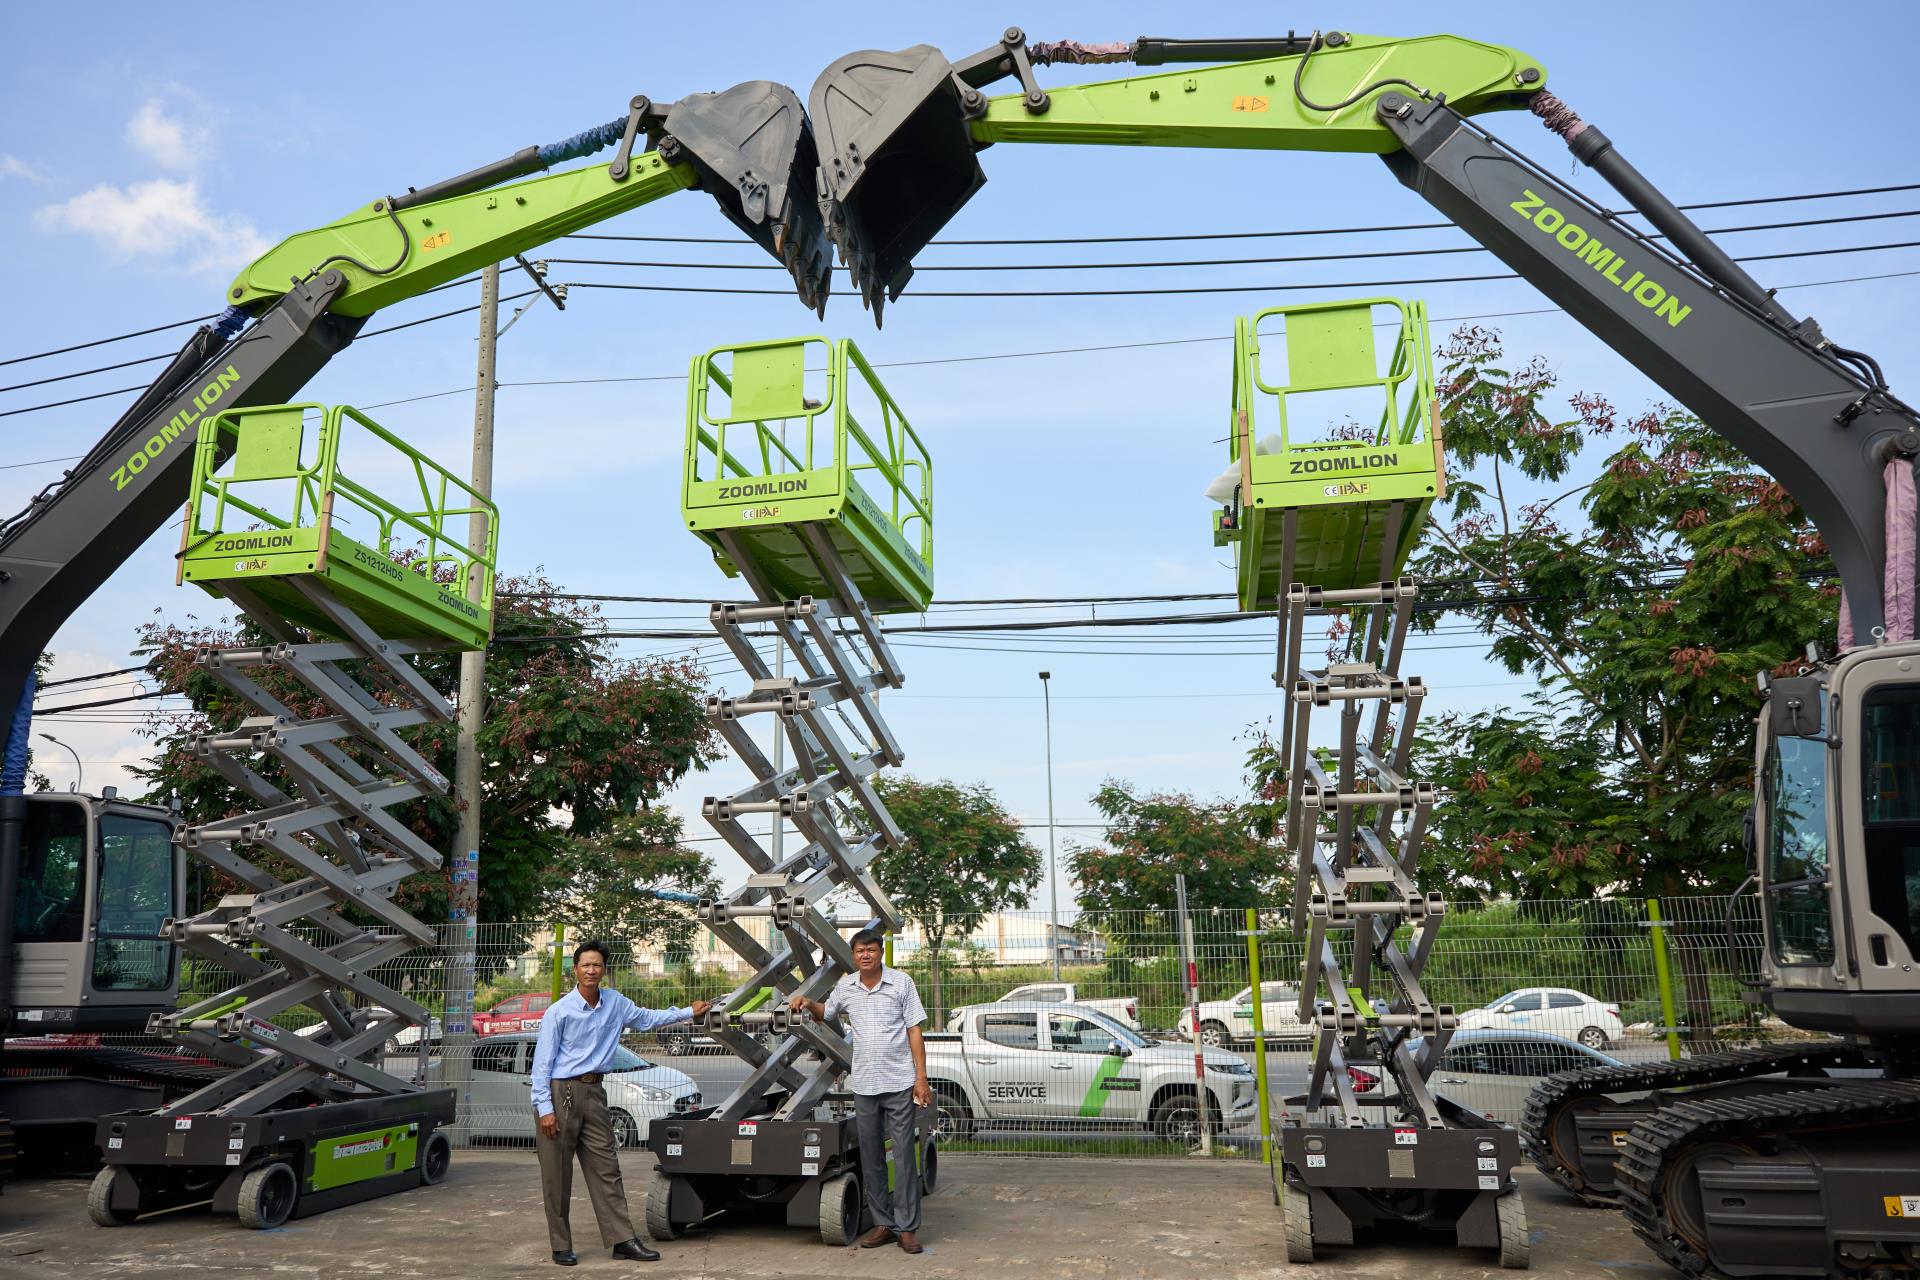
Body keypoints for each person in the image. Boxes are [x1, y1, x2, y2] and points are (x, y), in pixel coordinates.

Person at [530, 939, 711, 1266]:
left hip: (596, 1092)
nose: (591, 970)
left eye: (596, 965)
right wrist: (545, 1109)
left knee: (607, 1169)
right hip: (561, 1094)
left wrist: (688, 1012)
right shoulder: (559, 1012)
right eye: (585, 964)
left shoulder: (615, 1002)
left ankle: (622, 1240)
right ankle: (560, 1246)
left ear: (604, 970)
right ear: (575, 969)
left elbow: (648, 1018)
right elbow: (542, 1064)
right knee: (557, 1176)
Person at [789, 927, 932, 1254]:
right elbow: (828, 1013)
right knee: (871, 1156)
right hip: (865, 1084)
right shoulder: (847, 986)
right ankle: (883, 1223)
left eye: (871, 949)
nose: (865, 955)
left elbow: (914, 1030)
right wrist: (809, 1003)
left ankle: (907, 1229)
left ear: (880, 952)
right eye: (859, 951)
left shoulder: (901, 983)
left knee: (904, 1157)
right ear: (853, 956)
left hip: (899, 1083)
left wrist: (921, 1079)